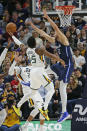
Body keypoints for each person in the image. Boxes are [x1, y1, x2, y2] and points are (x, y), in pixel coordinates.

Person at [27, 9, 74, 123]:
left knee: (62, 87)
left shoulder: (63, 39)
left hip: (67, 65)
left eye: (55, 33)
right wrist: (33, 25)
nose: (53, 34)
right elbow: (42, 33)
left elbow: (56, 28)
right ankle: (32, 91)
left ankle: (64, 112)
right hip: (60, 64)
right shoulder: (55, 40)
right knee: (44, 71)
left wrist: (47, 17)